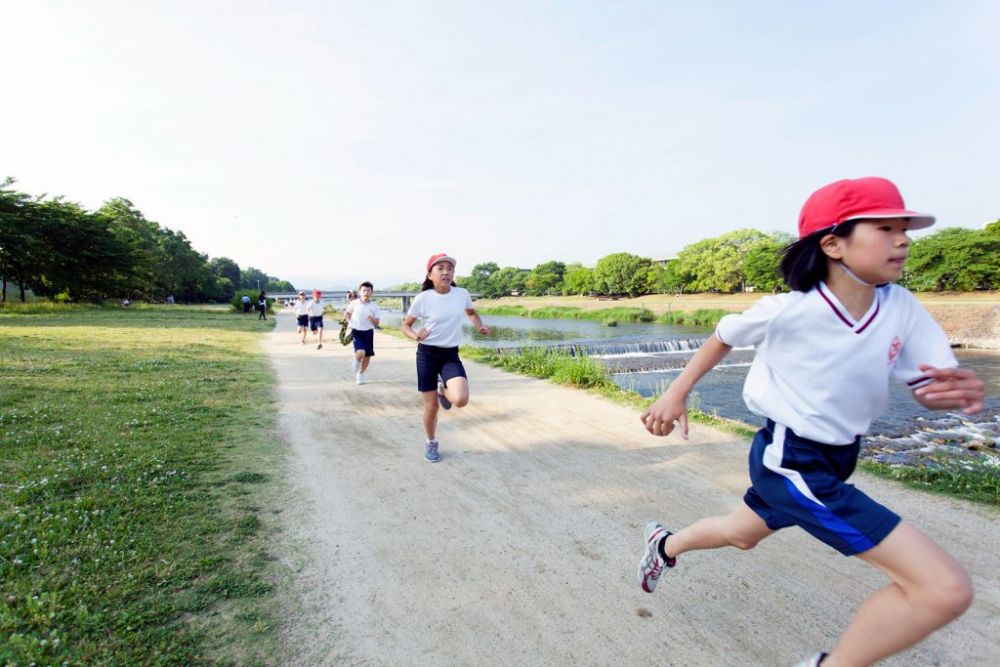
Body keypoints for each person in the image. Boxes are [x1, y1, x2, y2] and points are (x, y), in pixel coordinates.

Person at [635, 177, 984, 667]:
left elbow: (925, 385)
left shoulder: (900, 306)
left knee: (742, 533)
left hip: (840, 455)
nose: (903, 239)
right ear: (833, 243)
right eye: (885, 228)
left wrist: (949, 394)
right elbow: (722, 334)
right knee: (942, 588)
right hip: (790, 460)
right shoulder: (789, 310)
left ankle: (664, 544)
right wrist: (676, 391)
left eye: (904, 229)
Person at [401, 253, 491, 462]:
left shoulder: (461, 294)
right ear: (430, 275)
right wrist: (416, 335)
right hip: (427, 355)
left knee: (460, 399)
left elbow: (471, 313)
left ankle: (443, 389)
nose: (446, 272)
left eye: (449, 268)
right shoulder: (423, 299)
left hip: (450, 354)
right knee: (431, 407)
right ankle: (431, 442)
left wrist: (480, 326)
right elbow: (405, 325)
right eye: (440, 268)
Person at [343, 281, 381, 385]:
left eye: (369, 290)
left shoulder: (374, 306)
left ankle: (360, 373)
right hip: (356, 331)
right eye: (364, 290)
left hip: (368, 332)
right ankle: (356, 362)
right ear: (360, 292)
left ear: (371, 292)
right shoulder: (354, 303)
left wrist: (372, 318)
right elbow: (347, 313)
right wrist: (347, 319)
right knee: (361, 352)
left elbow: (377, 322)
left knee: (367, 356)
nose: (366, 292)